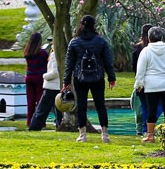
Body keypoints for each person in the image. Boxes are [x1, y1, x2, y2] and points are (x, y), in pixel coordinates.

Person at [63, 14, 116, 143]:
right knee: (100, 105)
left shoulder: (74, 42)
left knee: (81, 106)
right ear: (94, 25)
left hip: (79, 78)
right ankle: (104, 134)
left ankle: (82, 134)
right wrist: (111, 77)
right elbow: (108, 61)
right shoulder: (101, 41)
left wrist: (66, 81)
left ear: (81, 25)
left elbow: (69, 64)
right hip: (97, 77)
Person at [135, 26, 165, 143]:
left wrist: (138, 85)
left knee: (151, 110)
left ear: (149, 38)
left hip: (151, 86)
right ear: (161, 37)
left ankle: (150, 136)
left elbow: (140, 71)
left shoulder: (146, 51)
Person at [27, 41, 64, 131]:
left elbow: (55, 72)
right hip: (56, 85)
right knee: (58, 109)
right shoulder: (58, 53)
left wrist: (44, 76)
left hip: (51, 85)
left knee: (42, 108)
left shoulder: (55, 54)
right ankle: (59, 126)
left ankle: (34, 127)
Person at [22, 32, 48, 126]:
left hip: (29, 77)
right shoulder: (43, 53)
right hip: (39, 77)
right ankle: (39, 122)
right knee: (39, 101)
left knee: (30, 101)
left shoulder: (27, 52)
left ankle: (29, 121)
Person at [130, 24, 152, 136]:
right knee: (150, 107)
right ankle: (148, 130)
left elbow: (134, 67)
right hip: (154, 82)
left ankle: (142, 129)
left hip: (142, 82)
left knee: (142, 107)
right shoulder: (155, 49)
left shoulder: (137, 49)